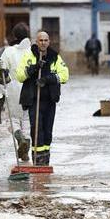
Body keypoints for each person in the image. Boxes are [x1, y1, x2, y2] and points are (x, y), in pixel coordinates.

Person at [14, 30, 69, 166]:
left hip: (50, 100)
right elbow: (20, 76)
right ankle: (37, 160)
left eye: (45, 40)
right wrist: (33, 68)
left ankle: (45, 159)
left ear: (49, 42)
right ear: (36, 42)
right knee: (36, 129)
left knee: (48, 131)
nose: (43, 43)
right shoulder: (29, 56)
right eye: (40, 40)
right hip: (34, 100)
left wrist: (48, 79)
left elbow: (65, 75)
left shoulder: (55, 57)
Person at [0, 23, 33, 163]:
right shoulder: (33, 51)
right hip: (29, 90)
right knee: (27, 120)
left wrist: (1, 94)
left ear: (14, 35)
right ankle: (25, 148)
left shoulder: (8, 52)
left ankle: (19, 138)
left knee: (12, 119)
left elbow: (1, 72)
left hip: (12, 89)